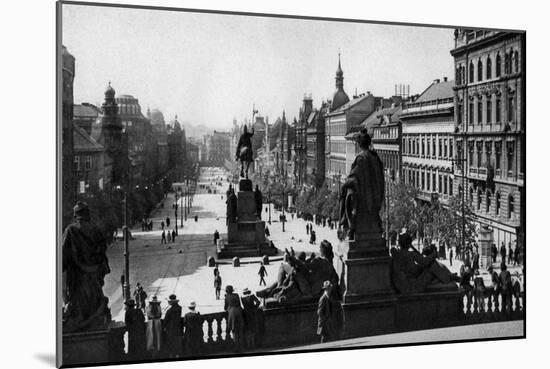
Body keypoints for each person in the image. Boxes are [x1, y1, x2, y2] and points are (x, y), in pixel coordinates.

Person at [62, 201, 111, 332]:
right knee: (94, 303)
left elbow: (62, 257)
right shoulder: (96, 230)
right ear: (88, 214)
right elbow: (102, 255)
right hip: (94, 280)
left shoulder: (71, 231)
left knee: (78, 308)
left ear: (75, 216)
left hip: (77, 281)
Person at [224, 285, 244, 352]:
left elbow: (225, 307)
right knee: (240, 330)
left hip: (232, 313)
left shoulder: (226, 297)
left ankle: (236, 347)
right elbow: (239, 304)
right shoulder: (236, 295)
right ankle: (241, 347)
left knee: (234, 330)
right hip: (239, 311)